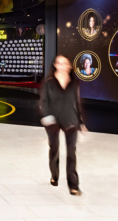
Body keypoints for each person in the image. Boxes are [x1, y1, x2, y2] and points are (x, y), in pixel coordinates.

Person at [39, 55, 87, 196]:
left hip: (70, 120)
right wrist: (46, 116)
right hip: (52, 121)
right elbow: (44, 101)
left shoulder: (74, 83)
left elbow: (77, 103)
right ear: (55, 65)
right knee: (54, 148)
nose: (62, 66)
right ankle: (54, 174)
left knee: (71, 152)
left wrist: (81, 122)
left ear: (70, 66)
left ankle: (74, 186)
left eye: (65, 63)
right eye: (59, 63)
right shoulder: (48, 82)